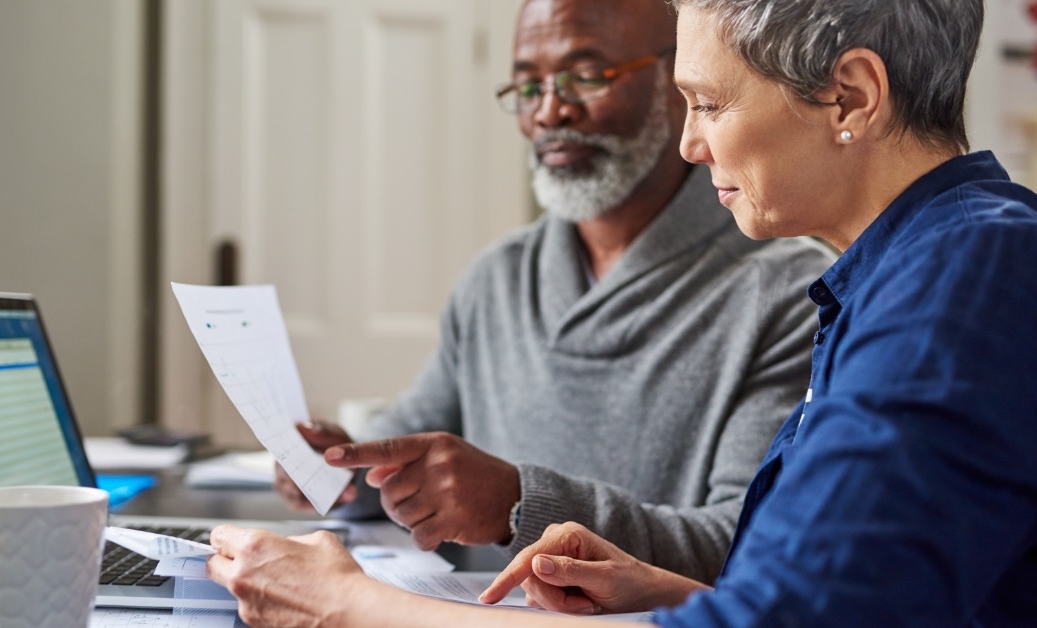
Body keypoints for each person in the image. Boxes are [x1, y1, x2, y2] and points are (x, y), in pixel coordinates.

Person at [206, 0, 1037, 625]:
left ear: (851, 97)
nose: (690, 142)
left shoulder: (963, 275)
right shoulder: (901, 275)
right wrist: (666, 591)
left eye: (709, 103)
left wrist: (351, 606)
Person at [273, 0, 833, 584]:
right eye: (527, 84)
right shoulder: (498, 277)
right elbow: (416, 448)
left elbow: (746, 540)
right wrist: (348, 470)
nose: (549, 111)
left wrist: (520, 505)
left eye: (586, 76)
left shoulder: (787, 292)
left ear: (679, 83)